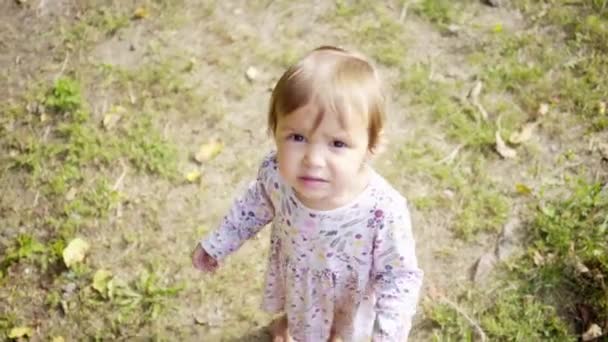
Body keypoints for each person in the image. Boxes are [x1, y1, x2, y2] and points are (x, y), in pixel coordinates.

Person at [192, 46, 423, 342]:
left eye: (337, 144)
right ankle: (293, 327)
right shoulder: (278, 175)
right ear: (274, 131)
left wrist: (388, 336)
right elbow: (253, 204)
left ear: (372, 146)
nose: (313, 160)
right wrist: (218, 243)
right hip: (301, 281)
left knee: (343, 329)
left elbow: (399, 276)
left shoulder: (383, 209)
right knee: (303, 315)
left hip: (351, 297)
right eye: (298, 137)